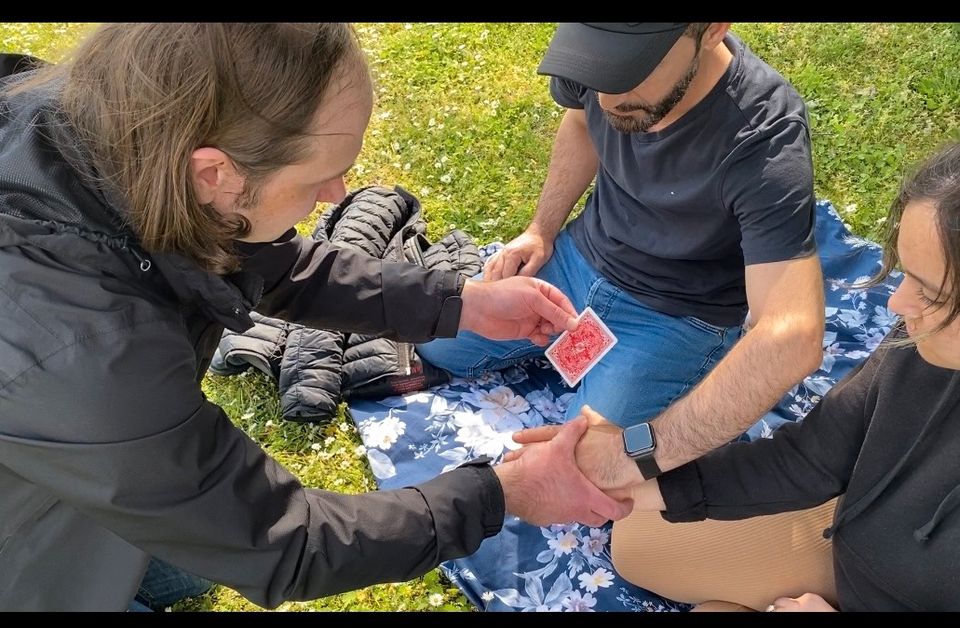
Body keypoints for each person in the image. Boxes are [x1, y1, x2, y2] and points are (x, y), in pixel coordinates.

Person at [0, 24, 632, 612]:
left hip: (71, 446)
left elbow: (255, 261)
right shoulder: (87, 350)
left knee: (175, 555)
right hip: (25, 518)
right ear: (212, 173)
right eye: (320, 177)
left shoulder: (111, 118)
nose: (337, 194)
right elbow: (281, 541)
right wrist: (504, 493)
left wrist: (457, 303)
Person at [529, 142, 960, 611]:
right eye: (905, 274)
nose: (897, 305)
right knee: (639, 539)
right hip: (862, 539)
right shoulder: (921, 343)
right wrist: (622, 463)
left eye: (933, 294)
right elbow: (811, 457)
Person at [417, 23, 825, 479]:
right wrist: (540, 231)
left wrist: (637, 450)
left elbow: (793, 335)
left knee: (583, 463)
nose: (608, 96)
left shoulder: (764, 136)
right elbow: (579, 123)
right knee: (434, 341)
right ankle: (569, 353)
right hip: (581, 261)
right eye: (597, 69)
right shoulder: (595, 63)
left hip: (677, 318)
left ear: (712, 30)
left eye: (634, 66)